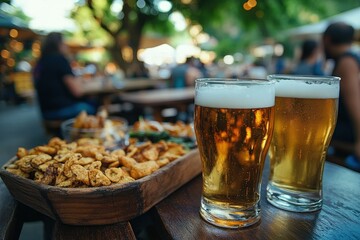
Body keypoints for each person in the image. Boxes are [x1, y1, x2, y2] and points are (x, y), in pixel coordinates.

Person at [33, 32, 97, 120]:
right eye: (64, 43)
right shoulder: (59, 60)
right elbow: (77, 92)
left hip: (46, 111)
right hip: (60, 110)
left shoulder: (40, 62)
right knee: (93, 106)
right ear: (59, 45)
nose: (66, 46)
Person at [323, 22, 360, 170]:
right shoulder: (349, 58)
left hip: (346, 133)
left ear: (327, 39)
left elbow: (355, 103)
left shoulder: (346, 62)